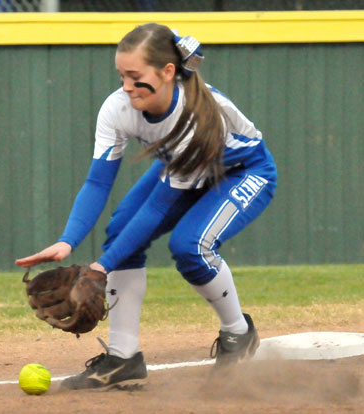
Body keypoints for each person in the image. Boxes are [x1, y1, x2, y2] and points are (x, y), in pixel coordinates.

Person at [16, 23, 277, 391]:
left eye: (136, 77)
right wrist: (68, 240)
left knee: (190, 247)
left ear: (168, 72)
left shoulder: (198, 116)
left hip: (241, 172)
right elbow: (97, 182)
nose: (126, 86)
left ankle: (238, 332)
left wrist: (100, 267)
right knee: (122, 233)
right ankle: (123, 358)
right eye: (122, 75)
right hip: (180, 169)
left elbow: (157, 209)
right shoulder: (119, 107)